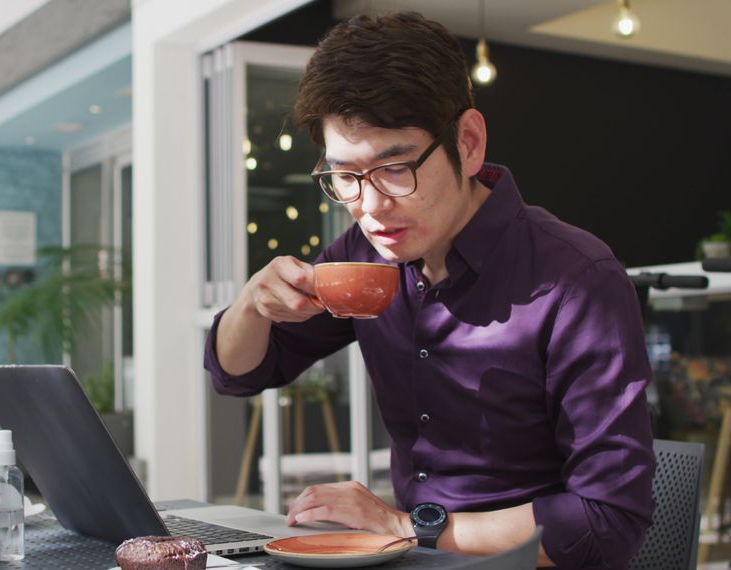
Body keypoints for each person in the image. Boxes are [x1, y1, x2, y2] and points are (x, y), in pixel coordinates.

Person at [203, 11, 654, 569]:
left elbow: (606, 523)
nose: (369, 208)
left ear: (467, 143)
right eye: (345, 177)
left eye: (394, 168)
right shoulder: (364, 255)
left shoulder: (576, 281)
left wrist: (405, 526)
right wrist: (253, 305)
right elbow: (241, 373)